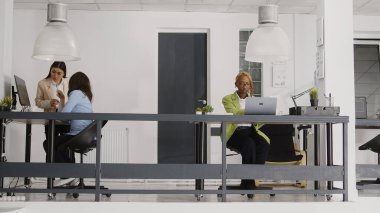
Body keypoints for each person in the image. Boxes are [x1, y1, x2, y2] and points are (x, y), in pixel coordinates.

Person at [222, 71, 270, 197]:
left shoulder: (254, 100)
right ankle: (249, 184)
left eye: (247, 83)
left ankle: (249, 179)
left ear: (250, 86)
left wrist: (262, 114)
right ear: (236, 84)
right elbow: (234, 112)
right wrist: (250, 110)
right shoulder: (228, 99)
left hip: (250, 130)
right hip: (235, 132)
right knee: (249, 145)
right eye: (242, 83)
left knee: (263, 143)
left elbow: (258, 122)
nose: (244, 86)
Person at [43, 71, 93, 186]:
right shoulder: (84, 95)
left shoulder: (76, 93)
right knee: (58, 146)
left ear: (74, 83)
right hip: (86, 134)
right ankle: (70, 174)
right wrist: (62, 100)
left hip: (78, 135)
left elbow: (64, 115)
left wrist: (61, 104)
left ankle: (69, 174)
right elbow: (67, 117)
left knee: (48, 144)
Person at [35, 61, 69, 140]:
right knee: (50, 146)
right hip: (50, 119)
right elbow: (38, 101)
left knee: (67, 146)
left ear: (63, 74)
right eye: (53, 72)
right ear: (50, 70)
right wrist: (49, 103)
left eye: (59, 73)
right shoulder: (42, 83)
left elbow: (68, 100)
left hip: (65, 118)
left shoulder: (66, 83)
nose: (55, 75)